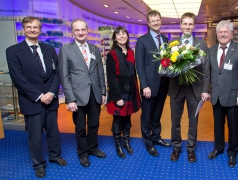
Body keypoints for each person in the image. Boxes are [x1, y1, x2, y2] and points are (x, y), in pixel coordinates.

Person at [6, 16, 67, 178]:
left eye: (35, 27)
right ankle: (38, 163)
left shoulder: (49, 49)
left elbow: (56, 73)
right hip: (32, 100)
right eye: (29, 27)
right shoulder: (13, 51)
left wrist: (51, 93)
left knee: (53, 131)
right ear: (24, 29)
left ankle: (55, 156)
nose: (32, 30)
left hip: (50, 98)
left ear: (40, 30)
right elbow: (18, 78)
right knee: (35, 135)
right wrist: (40, 96)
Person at [58, 19, 106, 167]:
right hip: (77, 96)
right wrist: (70, 99)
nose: (80, 32)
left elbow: (99, 72)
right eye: (77, 30)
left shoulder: (94, 49)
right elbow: (64, 76)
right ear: (72, 32)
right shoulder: (66, 49)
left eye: (83, 29)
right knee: (80, 127)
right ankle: (83, 153)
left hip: (95, 93)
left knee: (94, 124)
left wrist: (103, 91)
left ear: (87, 30)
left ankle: (93, 148)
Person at [168, 12, 210, 163]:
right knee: (175, 121)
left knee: (193, 122)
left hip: (195, 89)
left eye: (190, 24)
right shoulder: (172, 43)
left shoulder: (201, 44)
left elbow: (206, 69)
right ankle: (176, 147)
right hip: (176, 89)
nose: (187, 26)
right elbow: (167, 66)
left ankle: (191, 149)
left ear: (194, 25)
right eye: (184, 24)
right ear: (180, 25)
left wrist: (205, 90)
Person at [207, 21, 238, 168]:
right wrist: (206, 90)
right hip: (216, 95)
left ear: (231, 34)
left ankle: (232, 152)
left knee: (233, 127)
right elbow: (208, 73)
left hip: (233, 97)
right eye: (220, 32)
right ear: (217, 34)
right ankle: (218, 148)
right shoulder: (211, 50)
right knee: (218, 125)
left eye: (226, 32)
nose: (223, 34)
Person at [135, 10, 171, 157]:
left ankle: (156, 137)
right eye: (153, 21)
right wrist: (144, 85)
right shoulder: (142, 41)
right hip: (149, 86)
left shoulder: (165, 39)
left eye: (158, 20)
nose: (156, 22)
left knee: (157, 114)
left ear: (160, 21)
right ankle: (148, 142)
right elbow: (140, 65)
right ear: (148, 23)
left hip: (163, 83)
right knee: (147, 115)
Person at [106, 26, 141, 159]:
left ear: (127, 36)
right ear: (115, 38)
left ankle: (126, 142)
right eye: (118, 34)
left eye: (124, 33)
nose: (121, 36)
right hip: (119, 93)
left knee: (127, 118)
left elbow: (133, 74)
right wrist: (117, 97)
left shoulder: (131, 53)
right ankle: (118, 145)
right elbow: (111, 77)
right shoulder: (112, 54)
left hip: (130, 92)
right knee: (117, 120)